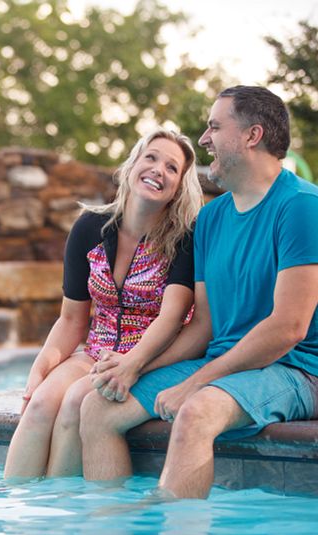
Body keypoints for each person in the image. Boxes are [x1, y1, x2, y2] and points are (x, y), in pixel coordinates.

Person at [80, 85, 318, 499]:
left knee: (196, 412)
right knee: (98, 409)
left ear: (252, 136)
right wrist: (138, 366)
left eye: (214, 127)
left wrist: (196, 384)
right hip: (224, 363)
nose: (204, 139)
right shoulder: (210, 219)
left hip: (295, 369)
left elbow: (288, 328)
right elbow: (204, 325)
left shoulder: (301, 207)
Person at [4, 128, 204, 479]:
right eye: (151, 157)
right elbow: (71, 320)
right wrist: (41, 368)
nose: (159, 169)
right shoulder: (89, 227)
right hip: (95, 351)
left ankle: (61, 515)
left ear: (178, 188)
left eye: (172, 168)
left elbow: (173, 319)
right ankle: (17, 516)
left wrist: (131, 363)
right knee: (38, 406)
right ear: (131, 167)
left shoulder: (184, 240)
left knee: (73, 406)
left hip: (150, 356)